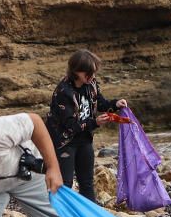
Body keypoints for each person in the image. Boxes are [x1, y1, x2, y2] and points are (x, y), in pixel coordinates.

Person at [45, 50, 127, 203]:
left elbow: (100, 103)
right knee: (65, 183)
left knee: (87, 183)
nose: (92, 77)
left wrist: (115, 104)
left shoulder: (91, 84)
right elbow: (70, 125)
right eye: (88, 73)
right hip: (64, 142)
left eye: (94, 73)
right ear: (76, 71)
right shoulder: (63, 91)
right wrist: (95, 123)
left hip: (84, 139)